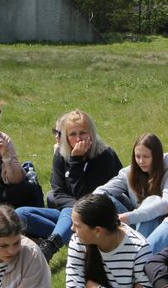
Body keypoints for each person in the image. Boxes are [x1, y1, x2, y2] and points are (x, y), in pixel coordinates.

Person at [15, 109, 122, 262]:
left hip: (99, 217)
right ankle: (64, 234)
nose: (78, 138)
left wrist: (76, 162)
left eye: (83, 133)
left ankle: (50, 246)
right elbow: (57, 194)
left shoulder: (104, 156)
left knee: (72, 208)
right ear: (65, 137)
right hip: (71, 217)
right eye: (72, 134)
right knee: (21, 214)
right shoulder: (61, 155)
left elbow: (86, 198)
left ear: (91, 133)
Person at [96, 132, 168, 254]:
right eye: (137, 156)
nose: (141, 161)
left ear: (157, 156)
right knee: (104, 199)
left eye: (146, 156)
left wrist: (128, 217)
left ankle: (138, 254)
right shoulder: (129, 172)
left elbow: (166, 202)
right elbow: (103, 190)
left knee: (151, 203)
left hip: (158, 223)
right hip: (131, 221)